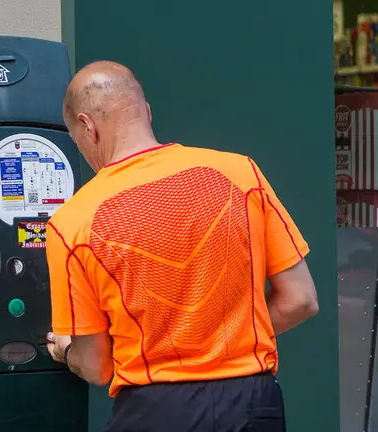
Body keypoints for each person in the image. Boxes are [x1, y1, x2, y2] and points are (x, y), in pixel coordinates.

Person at [43, 61, 319, 432]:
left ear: (87, 127)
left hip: (156, 410)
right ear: (146, 111)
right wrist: (221, 340)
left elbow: (96, 367)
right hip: (252, 405)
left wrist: (67, 350)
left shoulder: (72, 223)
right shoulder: (241, 174)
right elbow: (300, 300)